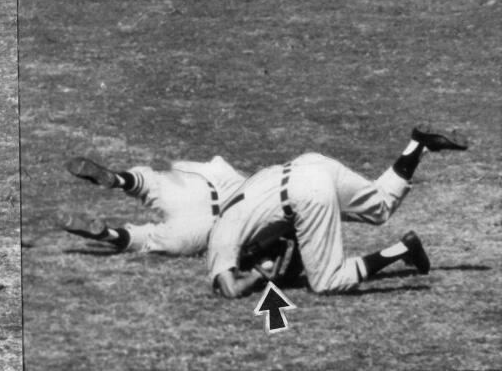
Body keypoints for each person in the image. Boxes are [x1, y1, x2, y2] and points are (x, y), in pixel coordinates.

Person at [208, 127, 467, 298]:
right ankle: (418, 144)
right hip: (310, 165)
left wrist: (256, 275)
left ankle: (402, 249)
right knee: (381, 206)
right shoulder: (241, 204)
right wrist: (283, 277)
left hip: (305, 193)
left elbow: (229, 289)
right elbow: (299, 247)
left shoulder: (221, 240)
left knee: (325, 283)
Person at [62, 156, 247, 256]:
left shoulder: (261, 181)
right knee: (159, 240)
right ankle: (110, 235)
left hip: (205, 187)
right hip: (211, 227)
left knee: (154, 185)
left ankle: (119, 180)